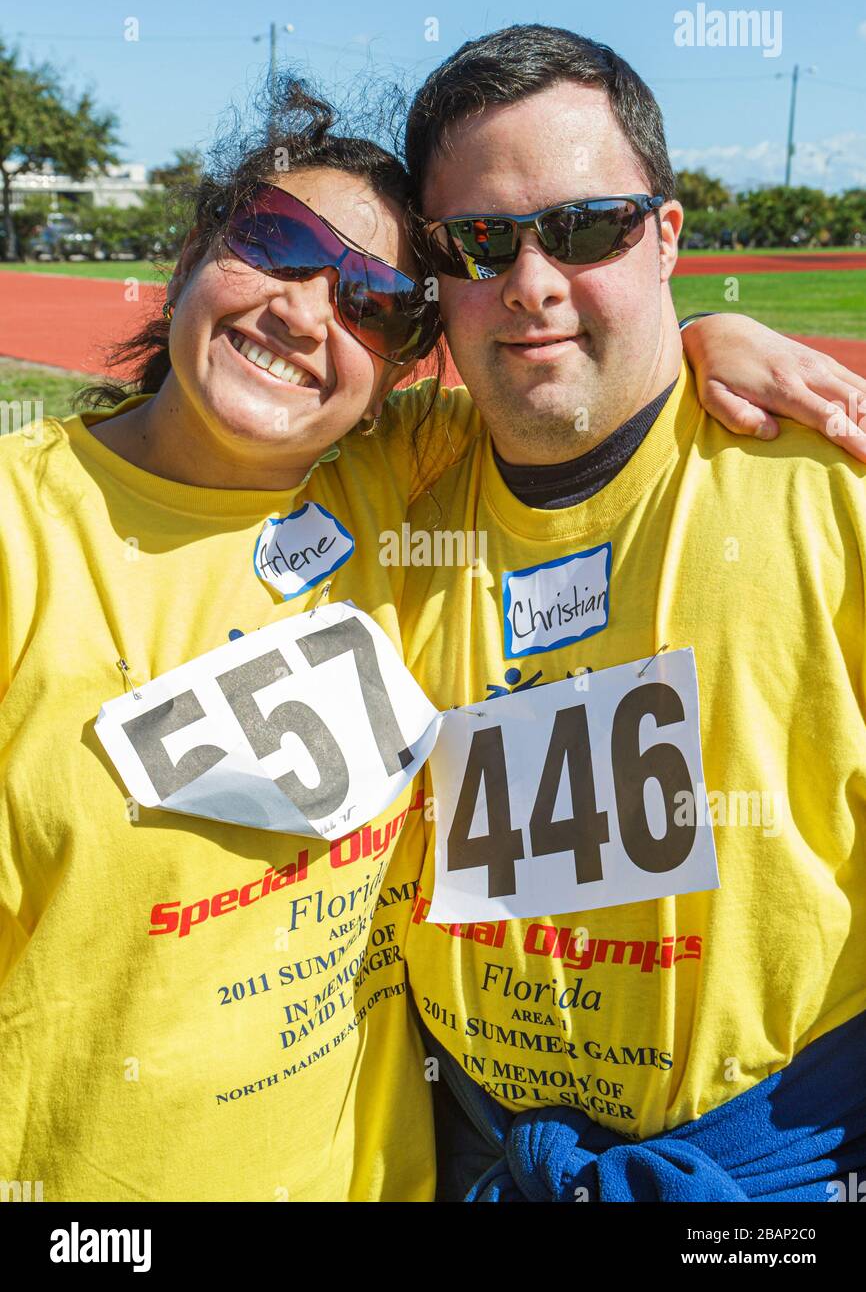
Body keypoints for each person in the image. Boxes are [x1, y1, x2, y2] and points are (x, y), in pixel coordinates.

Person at [0, 69, 857, 1205]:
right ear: (196, 244)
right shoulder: (43, 526)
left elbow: (584, 385)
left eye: (374, 300)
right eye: (479, 248)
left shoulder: (393, 475)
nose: (310, 313)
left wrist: (692, 330)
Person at [397, 25, 866, 1202]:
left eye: (585, 225)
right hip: (476, 1151)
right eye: (480, 241)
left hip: (767, 1177)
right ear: (433, 275)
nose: (532, 281)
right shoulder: (382, 504)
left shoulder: (831, 483)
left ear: (663, 236)